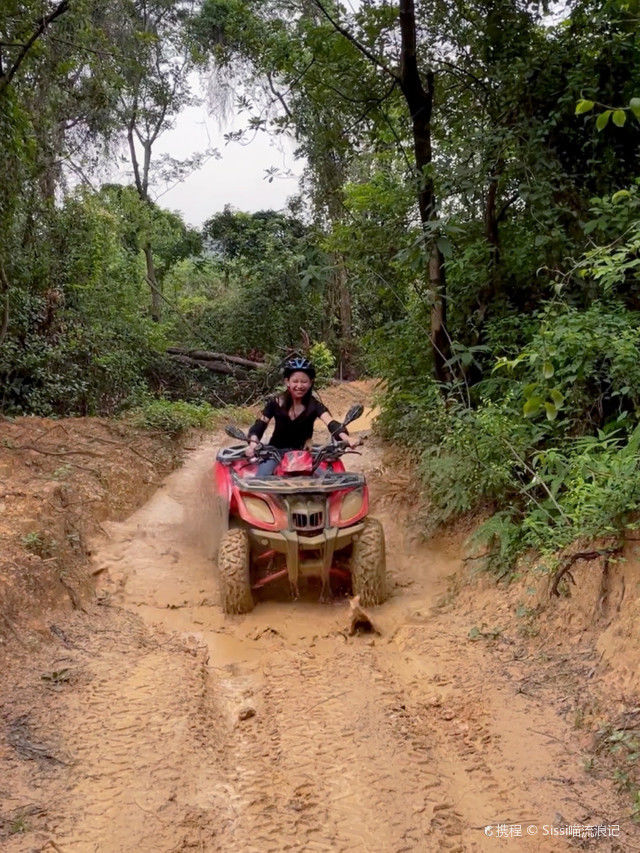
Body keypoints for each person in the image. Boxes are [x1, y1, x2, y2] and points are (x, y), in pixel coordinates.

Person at [245, 356, 359, 476]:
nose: (299, 386)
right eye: (295, 381)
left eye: (304, 381)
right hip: (275, 453)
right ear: (287, 382)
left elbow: (332, 423)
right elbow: (260, 425)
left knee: (327, 480)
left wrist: (347, 439)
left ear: (311, 383)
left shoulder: (315, 405)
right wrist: (253, 444)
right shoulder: (275, 403)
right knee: (260, 480)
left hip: (303, 454)